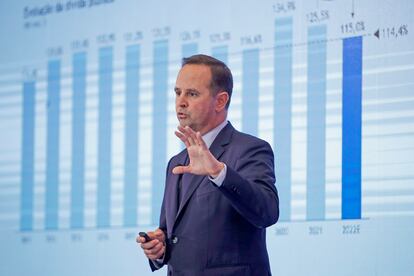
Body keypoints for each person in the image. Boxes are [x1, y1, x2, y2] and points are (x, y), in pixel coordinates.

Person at [137, 54, 279, 276]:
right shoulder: (176, 162)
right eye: (177, 92)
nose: (180, 101)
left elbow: (267, 213)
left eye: (192, 94)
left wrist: (218, 172)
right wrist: (160, 247)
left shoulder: (250, 149)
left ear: (220, 101)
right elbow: (171, 233)